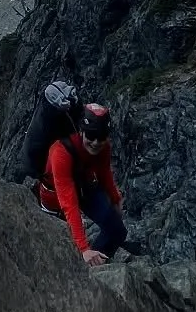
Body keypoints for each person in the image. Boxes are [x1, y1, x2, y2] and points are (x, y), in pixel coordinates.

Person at [37, 102, 137, 266]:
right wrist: (83, 248)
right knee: (57, 248)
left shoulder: (103, 147)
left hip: (84, 185)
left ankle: (94, 266)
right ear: (81, 131)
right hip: (55, 197)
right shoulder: (60, 152)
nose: (97, 142)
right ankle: (82, 266)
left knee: (117, 231)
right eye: (91, 136)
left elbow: (104, 172)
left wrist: (115, 198)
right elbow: (68, 203)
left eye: (102, 136)